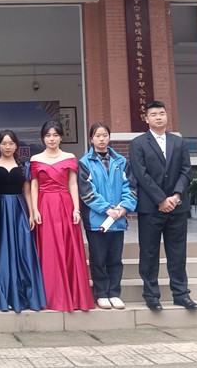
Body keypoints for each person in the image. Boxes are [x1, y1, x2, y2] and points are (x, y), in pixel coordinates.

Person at [129, 101, 197, 311]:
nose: (158, 117)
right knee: (149, 252)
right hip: (150, 208)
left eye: (161, 113)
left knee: (177, 252)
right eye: (153, 114)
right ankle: (151, 295)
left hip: (177, 207)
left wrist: (175, 196)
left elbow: (186, 171)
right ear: (146, 119)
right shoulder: (138, 143)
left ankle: (181, 294)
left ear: (167, 116)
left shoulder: (179, 142)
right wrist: (161, 199)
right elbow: (140, 174)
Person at [30, 120, 94, 312]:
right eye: (48, 135)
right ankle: (50, 295)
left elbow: (73, 184)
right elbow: (34, 185)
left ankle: (72, 295)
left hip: (65, 205)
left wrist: (76, 209)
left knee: (68, 248)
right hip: (44, 205)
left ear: (61, 137)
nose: (52, 139)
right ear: (43, 138)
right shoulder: (35, 158)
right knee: (48, 249)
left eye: (55, 135)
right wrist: (35, 210)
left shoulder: (69, 157)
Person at [78, 123, 137, 310]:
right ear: (91, 139)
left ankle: (114, 293)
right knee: (98, 258)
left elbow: (131, 187)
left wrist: (124, 208)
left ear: (109, 137)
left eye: (105, 135)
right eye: (97, 136)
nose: (101, 139)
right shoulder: (85, 163)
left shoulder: (121, 161)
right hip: (97, 220)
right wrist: (106, 209)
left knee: (115, 259)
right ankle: (102, 294)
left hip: (118, 219)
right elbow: (86, 191)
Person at [0, 130, 46, 312]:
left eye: (11, 143)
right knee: (1, 251)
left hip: (20, 210)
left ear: (16, 146)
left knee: (22, 250)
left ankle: (22, 291)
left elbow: (27, 191)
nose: (7, 147)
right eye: (4, 143)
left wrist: (31, 212)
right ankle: (3, 292)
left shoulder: (23, 166)